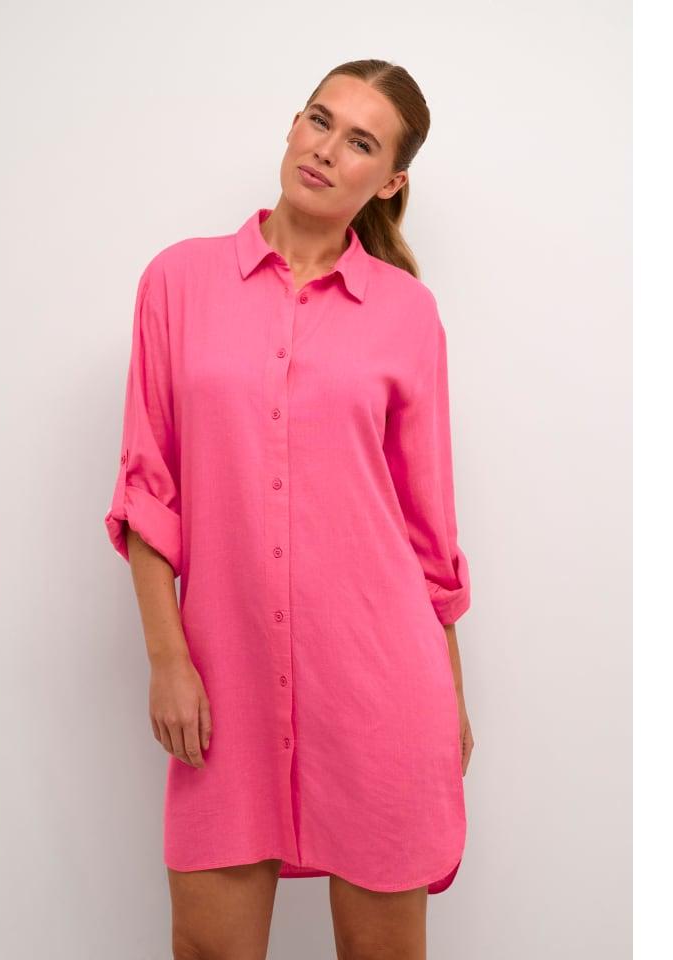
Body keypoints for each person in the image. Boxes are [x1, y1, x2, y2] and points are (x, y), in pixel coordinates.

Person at [104, 58, 474, 960]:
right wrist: (168, 659)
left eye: (361, 142)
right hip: (224, 680)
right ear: (292, 125)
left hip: (382, 686)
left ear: (389, 183)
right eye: (319, 119)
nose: (325, 149)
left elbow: (427, 532)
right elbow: (149, 487)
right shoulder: (178, 282)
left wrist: (451, 697)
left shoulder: (407, 314)